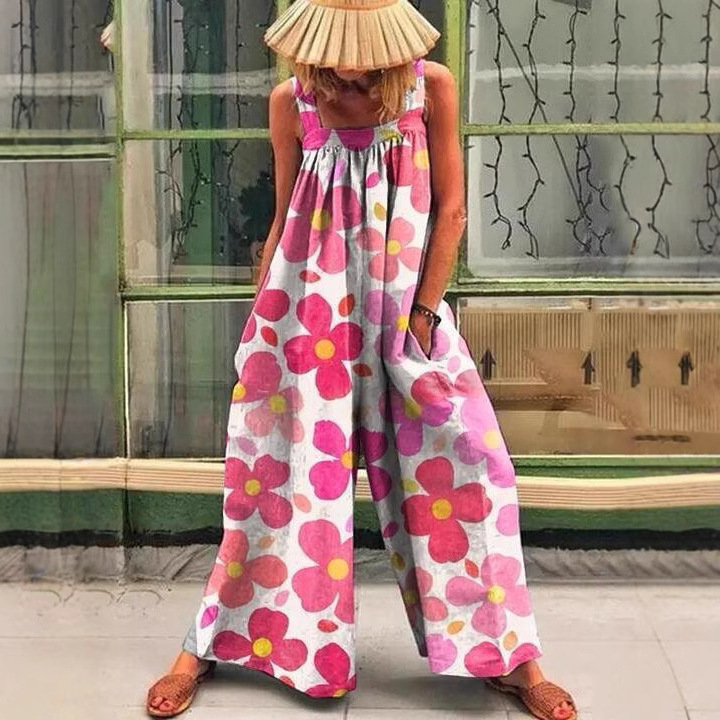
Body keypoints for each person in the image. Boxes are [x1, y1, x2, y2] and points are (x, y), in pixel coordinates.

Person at [145, 1, 577, 719]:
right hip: (306, 319)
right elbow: (285, 215)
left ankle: (511, 657)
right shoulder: (291, 102)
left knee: (473, 467)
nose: (352, 67)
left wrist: (425, 315)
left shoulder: (429, 89)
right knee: (278, 483)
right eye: (338, 53)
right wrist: (261, 320)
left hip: (404, 319)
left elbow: (452, 209)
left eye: (366, 54)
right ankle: (209, 643)